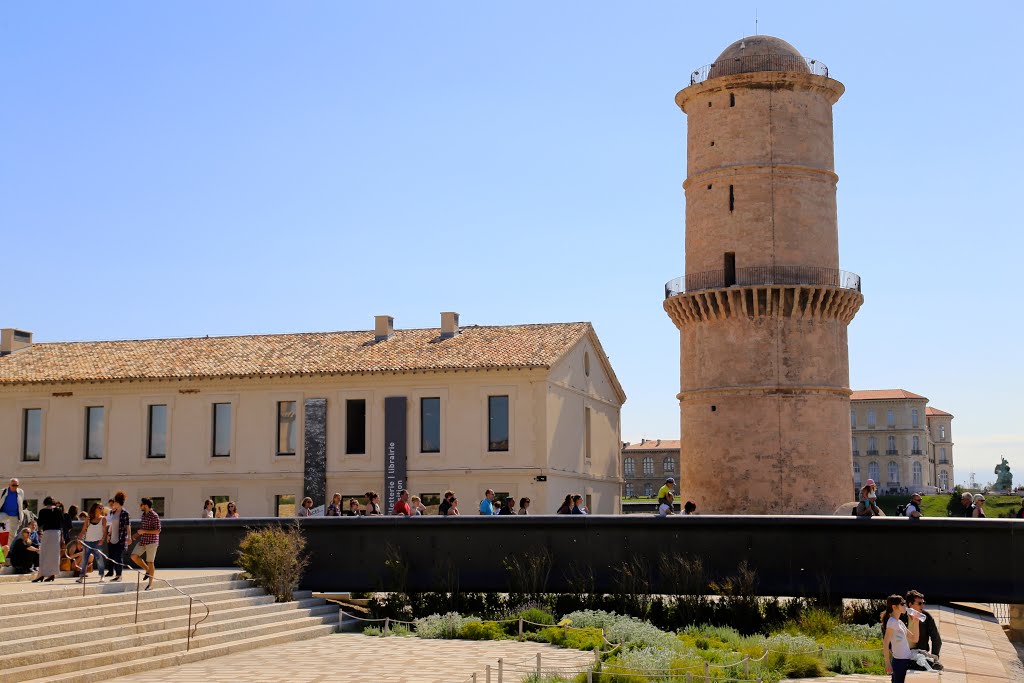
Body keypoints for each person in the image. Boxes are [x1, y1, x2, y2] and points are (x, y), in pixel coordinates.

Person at [882, 594, 919, 683]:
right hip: (899, 662)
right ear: (894, 607)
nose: (905, 606)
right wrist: (887, 664)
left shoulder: (899, 622)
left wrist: (916, 622)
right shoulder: (891, 622)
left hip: (905, 661)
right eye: (902, 604)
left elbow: (915, 639)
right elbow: (886, 643)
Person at [901, 590, 942, 669]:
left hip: (920, 652)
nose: (922, 606)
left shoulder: (926, 617)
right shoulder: (901, 617)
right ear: (910, 604)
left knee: (932, 665)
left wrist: (935, 657)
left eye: (923, 603)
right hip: (903, 652)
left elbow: (936, 639)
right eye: (920, 603)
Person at [131, 497, 161, 591]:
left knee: (151, 562)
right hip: (143, 540)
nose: (140, 506)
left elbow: (157, 531)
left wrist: (144, 531)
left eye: (141, 504)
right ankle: (148, 570)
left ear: (146, 505)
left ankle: (150, 584)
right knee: (133, 556)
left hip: (152, 542)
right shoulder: (143, 515)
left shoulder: (154, 515)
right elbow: (143, 529)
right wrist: (136, 535)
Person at [33, 496, 63, 582]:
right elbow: (62, 522)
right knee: (54, 554)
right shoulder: (58, 510)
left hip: (47, 532)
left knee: (44, 553)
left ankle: (41, 574)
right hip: (57, 533)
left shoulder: (43, 511)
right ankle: (52, 574)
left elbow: (40, 523)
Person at [76, 502, 107, 583]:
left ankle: (102, 576)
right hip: (87, 542)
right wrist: (79, 539)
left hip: (97, 542)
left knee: (99, 559)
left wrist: (102, 540)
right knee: (84, 560)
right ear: (95, 508)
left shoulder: (103, 519)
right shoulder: (88, 518)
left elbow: (104, 532)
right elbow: (83, 530)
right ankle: (81, 577)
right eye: (99, 507)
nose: (101, 509)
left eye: (102, 508)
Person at [104, 491, 130, 582]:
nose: (113, 504)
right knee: (113, 557)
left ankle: (119, 575)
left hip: (121, 538)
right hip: (112, 537)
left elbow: (128, 526)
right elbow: (112, 524)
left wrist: (129, 537)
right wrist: (109, 534)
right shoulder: (113, 512)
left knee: (119, 556)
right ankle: (116, 575)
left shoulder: (125, 513)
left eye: (114, 502)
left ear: (117, 502)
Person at [0, 478, 25, 542]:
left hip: (15, 515)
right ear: (9, 484)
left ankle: (10, 550)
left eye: (16, 485)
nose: (15, 487)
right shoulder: (3, 491)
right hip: (4, 513)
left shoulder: (20, 492)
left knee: (13, 534)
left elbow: (20, 505)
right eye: (13, 485)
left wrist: (20, 517)